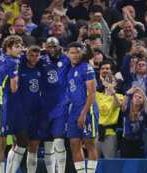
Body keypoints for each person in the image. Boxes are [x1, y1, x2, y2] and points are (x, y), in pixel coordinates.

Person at [0, 35, 22, 173]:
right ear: (8, 48)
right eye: (17, 46)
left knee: (1, 141)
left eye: (21, 46)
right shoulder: (13, 63)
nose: (20, 49)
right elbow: (14, 88)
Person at [6, 46, 42, 173]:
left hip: (36, 113)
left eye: (36, 55)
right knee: (18, 144)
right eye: (31, 55)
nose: (34, 58)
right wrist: (22, 51)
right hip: (20, 113)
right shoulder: (19, 66)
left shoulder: (41, 67)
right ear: (26, 55)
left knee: (34, 145)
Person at [66, 42, 98, 173]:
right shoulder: (69, 69)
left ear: (81, 54)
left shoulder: (87, 68)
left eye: (77, 52)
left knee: (89, 143)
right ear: (68, 54)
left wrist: (84, 113)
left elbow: (92, 93)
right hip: (73, 110)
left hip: (87, 110)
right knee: (74, 144)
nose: (75, 55)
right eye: (72, 52)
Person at [39, 37, 70, 173]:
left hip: (61, 106)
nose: (51, 49)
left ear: (59, 47)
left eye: (54, 46)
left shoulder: (66, 59)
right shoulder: (41, 60)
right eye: (49, 47)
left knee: (59, 141)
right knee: (47, 145)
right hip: (44, 107)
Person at [96, 60, 123, 158]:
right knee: (93, 162)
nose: (109, 83)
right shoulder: (98, 95)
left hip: (110, 134)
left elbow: (118, 104)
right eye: (107, 80)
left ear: (116, 83)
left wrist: (113, 92)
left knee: (110, 163)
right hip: (96, 133)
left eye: (112, 81)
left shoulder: (119, 96)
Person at [121, 86, 147, 158]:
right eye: (135, 97)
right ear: (132, 99)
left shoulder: (144, 111)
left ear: (143, 100)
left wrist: (143, 94)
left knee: (139, 164)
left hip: (139, 141)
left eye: (140, 97)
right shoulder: (127, 110)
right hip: (126, 141)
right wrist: (127, 93)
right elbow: (123, 105)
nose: (137, 99)